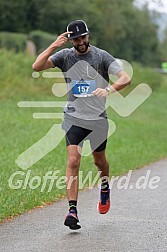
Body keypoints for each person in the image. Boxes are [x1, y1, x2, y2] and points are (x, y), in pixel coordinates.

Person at [32, 20, 130, 230]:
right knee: (74, 161)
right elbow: (37, 66)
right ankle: (72, 211)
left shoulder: (101, 56)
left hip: (97, 119)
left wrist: (109, 90)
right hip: (73, 117)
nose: (80, 42)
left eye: (83, 37)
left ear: (88, 36)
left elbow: (125, 77)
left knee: (100, 162)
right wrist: (53, 46)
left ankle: (104, 187)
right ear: (71, 40)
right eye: (76, 39)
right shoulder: (64, 56)